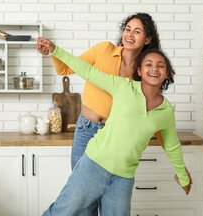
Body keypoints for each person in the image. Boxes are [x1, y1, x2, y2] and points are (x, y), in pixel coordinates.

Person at [40, 42, 192, 216]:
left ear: (166, 74)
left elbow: (171, 145)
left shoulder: (166, 111)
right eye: (148, 64)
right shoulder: (123, 87)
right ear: (139, 71)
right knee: (62, 212)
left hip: (123, 177)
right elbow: (88, 71)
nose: (154, 69)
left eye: (160, 66)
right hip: (93, 165)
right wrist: (56, 50)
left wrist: (183, 176)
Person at [37, 13, 162, 173]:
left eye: (137, 31)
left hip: (114, 134)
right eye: (128, 29)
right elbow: (65, 69)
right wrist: (52, 52)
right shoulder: (104, 49)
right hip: (86, 129)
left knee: (106, 187)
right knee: (79, 184)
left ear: (147, 39)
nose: (130, 34)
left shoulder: (144, 71)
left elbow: (150, 111)